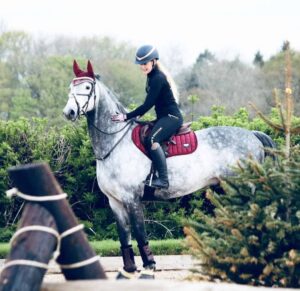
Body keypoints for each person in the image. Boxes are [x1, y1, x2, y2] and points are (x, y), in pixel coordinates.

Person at [111, 45, 183, 189]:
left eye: (145, 63)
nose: (142, 67)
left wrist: (126, 116)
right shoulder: (151, 77)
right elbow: (152, 103)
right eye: (140, 64)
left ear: (154, 61)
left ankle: (163, 180)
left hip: (172, 117)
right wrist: (136, 116)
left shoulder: (158, 78)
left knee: (152, 138)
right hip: (163, 117)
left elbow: (147, 105)